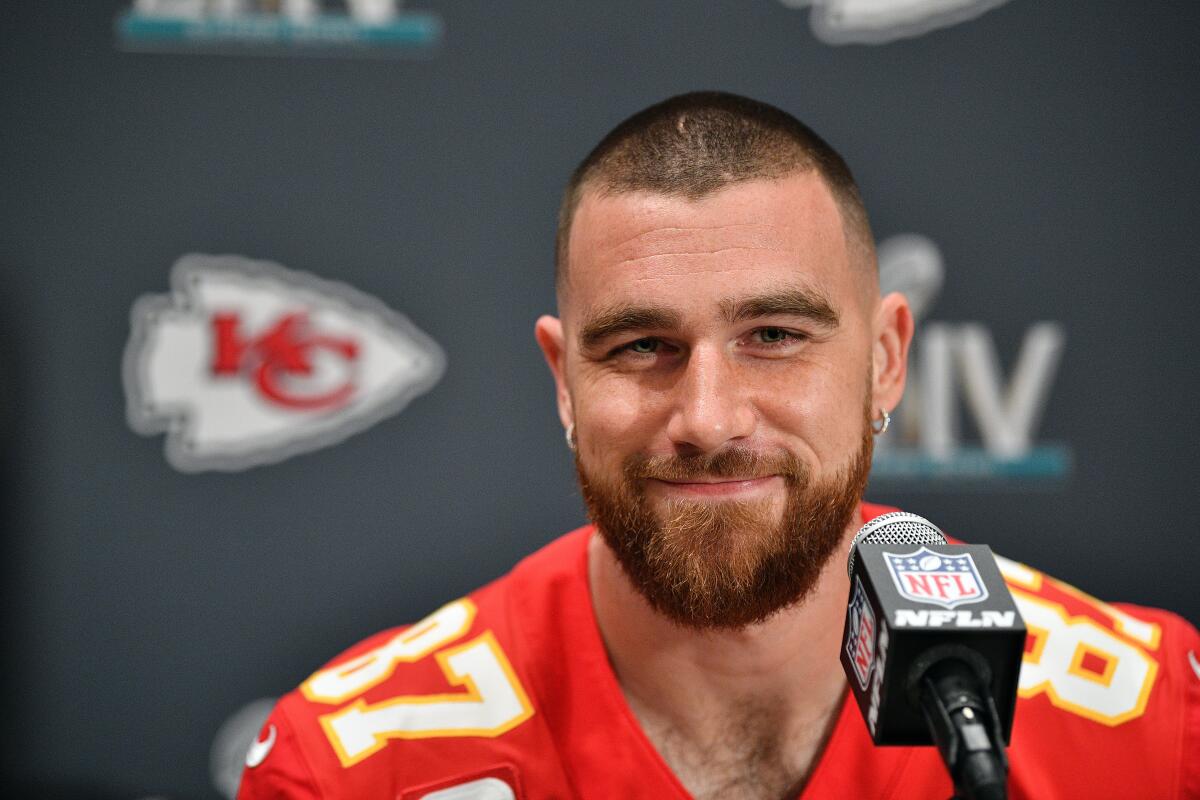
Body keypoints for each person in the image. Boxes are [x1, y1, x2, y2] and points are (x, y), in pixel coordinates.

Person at [237, 92, 1200, 800]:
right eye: (640, 346)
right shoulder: (351, 767)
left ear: (886, 362)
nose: (707, 416)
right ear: (563, 379)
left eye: (775, 337)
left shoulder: (1153, 728)